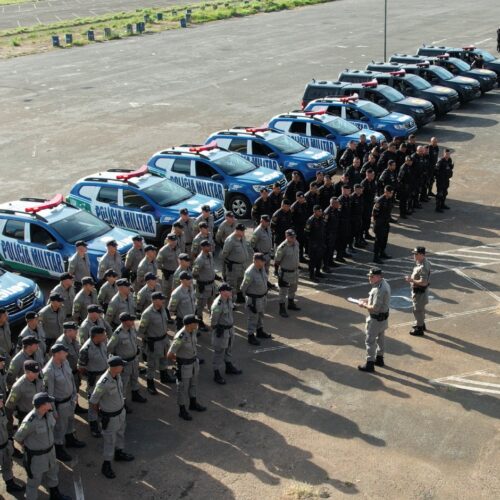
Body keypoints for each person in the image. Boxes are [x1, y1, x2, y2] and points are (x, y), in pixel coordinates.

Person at [15, 392, 72, 500]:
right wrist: (29, 448)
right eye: (48, 402)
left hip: (50, 452)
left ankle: (55, 495)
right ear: (42, 405)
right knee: (34, 482)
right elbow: (18, 438)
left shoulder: (48, 413)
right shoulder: (30, 421)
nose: (51, 404)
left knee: (53, 474)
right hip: (37, 458)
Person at [90, 356, 134, 479]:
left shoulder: (117, 376)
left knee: (120, 433)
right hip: (110, 417)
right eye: (121, 365)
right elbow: (93, 400)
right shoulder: (103, 383)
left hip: (120, 412)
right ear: (115, 367)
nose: (123, 367)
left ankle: (119, 453)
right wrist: (100, 413)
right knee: (109, 441)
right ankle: (106, 465)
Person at [43, 343, 84, 462]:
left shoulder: (64, 362)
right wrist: (53, 411)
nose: (66, 354)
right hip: (59, 405)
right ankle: (59, 448)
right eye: (64, 352)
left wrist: (74, 393)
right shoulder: (49, 371)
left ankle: (70, 439)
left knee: (70, 422)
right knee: (59, 428)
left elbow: (71, 378)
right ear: (56, 354)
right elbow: (48, 394)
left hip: (70, 400)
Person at [167, 315, 206, 421]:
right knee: (183, 388)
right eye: (195, 322)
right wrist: (179, 361)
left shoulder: (193, 331)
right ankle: (182, 410)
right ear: (189, 324)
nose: (197, 324)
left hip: (193, 363)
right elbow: (170, 354)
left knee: (193, 384)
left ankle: (193, 404)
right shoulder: (180, 336)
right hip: (184, 366)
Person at [107, 313, 147, 409]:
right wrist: (117, 359)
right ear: (125, 322)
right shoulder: (118, 334)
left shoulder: (131, 329)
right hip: (124, 363)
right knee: (123, 383)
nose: (133, 322)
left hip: (134, 360)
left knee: (135, 377)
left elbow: (134, 341)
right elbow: (109, 347)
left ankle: (135, 394)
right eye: (131, 320)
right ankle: (122, 402)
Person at [139, 292, 176, 395]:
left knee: (164, 359)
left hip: (164, 339)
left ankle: (164, 377)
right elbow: (141, 330)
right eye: (161, 299)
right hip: (154, 343)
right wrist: (145, 344)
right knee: (152, 364)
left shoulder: (162, 308)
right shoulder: (147, 314)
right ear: (155, 301)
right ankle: (150, 384)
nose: (163, 301)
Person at [357, 268, 391, 373]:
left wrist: (363, 305)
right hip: (383, 318)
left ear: (379, 277)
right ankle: (379, 359)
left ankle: (370, 364)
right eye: (369, 276)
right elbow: (374, 299)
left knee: (370, 341)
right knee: (380, 338)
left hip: (376, 319)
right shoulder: (383, 283)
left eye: (372, 276)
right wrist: (365, 300)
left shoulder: (379, 289)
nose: (369, 278)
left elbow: (375, 308)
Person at [78, 326, 108, 438]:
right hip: (94, 378)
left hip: (104, 376)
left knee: (103, 397)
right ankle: (93, 424)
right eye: (103, 334)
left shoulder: (102, 343)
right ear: (97, 336)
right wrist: (90, 376)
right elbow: (81, 367)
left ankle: (102, 414)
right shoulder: (86, 350)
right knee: (93, 401)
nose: (105, 336)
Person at [210, 283, 241, 385]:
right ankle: (216, 373)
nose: (230, 291)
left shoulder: (229, 299)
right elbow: (213, 321)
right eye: (228, 290)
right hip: (222, 331)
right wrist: (218, 329)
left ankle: (228, 366)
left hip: (230, 330)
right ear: (222, 292)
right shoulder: (217, 305)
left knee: (229, 349)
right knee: (219, 352)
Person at [55, 321, 85, 415]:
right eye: (75, 330)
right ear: (68, 331)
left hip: (75, 371)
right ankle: (69, 411)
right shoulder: (61, 343)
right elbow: (59, 362)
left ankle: (76, 407)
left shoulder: (73, 339)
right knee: (69, 392)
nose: (77, 332)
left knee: (75, 390)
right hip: (68, 374)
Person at [240, 253, 271, 346]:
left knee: (260, 315)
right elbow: (243, 287)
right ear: (257, 261)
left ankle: (260, 331)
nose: (264, 262)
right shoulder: (250, 272)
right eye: (262, 261)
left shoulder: (261, 269)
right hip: (254, 299)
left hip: (262, 297)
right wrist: (249, 298)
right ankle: (250, 335)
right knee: (253, 318)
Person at [5, 360, 44, 433]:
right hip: (26, 416)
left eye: (38, 371)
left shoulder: (39, 378)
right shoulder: (18, 386)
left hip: (39, 413)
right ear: (27, 372)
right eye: (35, 372)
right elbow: (9, 406)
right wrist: (9, 426)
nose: (37, 373)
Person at [0, 391, 24, 494]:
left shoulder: (2, 411)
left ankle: (10, 485)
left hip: (5, 444)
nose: (2, 401)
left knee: (7, 465)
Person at [221, 223, 252, 304]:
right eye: (242, 231)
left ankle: (239, 297)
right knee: (232, 285)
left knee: (240, 282)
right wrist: (224, 270)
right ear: (237, 231)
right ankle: (230, 302)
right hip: (233, 267)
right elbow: (224, 255)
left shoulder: (242, 237)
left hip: (242, 266)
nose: (244, 232)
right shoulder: (230, 240)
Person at [274, 229, 300, 318]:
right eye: (291, 237)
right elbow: (277, 261)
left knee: (293, 288)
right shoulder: (282, 247)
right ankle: (282, 308)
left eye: (294, 236)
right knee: (283, 291)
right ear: (286, 236)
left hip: (295, 272)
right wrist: (279, 274)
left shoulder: (296, 243)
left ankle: (291, 304)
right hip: (285, 273)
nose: (293, 238)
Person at [405, 247, 431, 336]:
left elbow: (423, 283)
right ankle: (421, 324)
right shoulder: (421, 262)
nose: (414, 256)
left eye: (416, 254)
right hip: (419, 291)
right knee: (421, 309)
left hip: (420, 292)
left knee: (417, 310)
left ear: (422, 255)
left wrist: (411, 280)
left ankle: (419, 329)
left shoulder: (423, 266)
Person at [192, 240, 217, 331]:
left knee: (212, 304)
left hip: (211, 286)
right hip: (203, 287)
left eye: (209, 245)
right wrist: (201, 281)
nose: (209, 247)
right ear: (202, 247)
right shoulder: (200, 259)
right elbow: (194, 273)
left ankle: (214, 321)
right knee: (200, 306)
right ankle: (199, 323)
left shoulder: (210, 255)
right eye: (207, 246)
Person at [372, 185, 394, 264]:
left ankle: (382, 253)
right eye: (390, 192)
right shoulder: (380, 200)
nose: (392, 194)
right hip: (379, 223)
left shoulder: (389, 199)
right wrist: (377, 222)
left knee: (384, 239)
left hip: (386, 222)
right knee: (378, 240)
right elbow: (374, 213)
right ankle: (376, 257)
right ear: (387, 192)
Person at [250, 214, 274, 287]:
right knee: (260, 271)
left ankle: (266, 282)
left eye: (268, 221)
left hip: (268, 254)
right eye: (266, 222)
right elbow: (252, 244)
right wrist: (258, 256)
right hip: (261, 255)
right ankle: (261, 285)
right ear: (261, 221)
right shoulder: (257, 231)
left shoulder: (268, 228)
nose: (268, 223)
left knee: (266, 270)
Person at [157, 233, 180, 306]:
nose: (174, 242)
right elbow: (158, 263)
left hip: (177, 273)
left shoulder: (178, 248)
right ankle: (164, 309)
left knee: (176, 291)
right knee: (166, 293)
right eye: (172, 240)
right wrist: (164, 270)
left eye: (175, 240)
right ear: (168, 240)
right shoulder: (163, 251)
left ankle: (174, 307)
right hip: (168, 275)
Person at [304, 205, 326, 280]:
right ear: (315, 211)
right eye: (319, 211)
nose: (321, 212)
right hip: (313, 243)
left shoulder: (321, 218)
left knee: (319, 258)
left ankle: (318, 272)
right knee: (313, 259)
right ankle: (311, 275)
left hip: (321, 242)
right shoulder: (311, 220)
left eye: (321, 211)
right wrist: (312, 241)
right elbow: (307, 233)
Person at [290, 191, 308, 263]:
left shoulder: (304, 204)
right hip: (296, 227)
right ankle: (296, 259)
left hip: (302, 227)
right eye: (300, 197)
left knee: (301, 243)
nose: (302, 199)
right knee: (296, 244)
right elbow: (291, 218)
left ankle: (301, 257)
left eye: (303, 197)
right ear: (297, 198)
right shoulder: (294, 206)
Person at [323, 198, 341, 270]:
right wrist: (326, 235)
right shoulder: (327, 212)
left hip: (334, 232)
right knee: (327, 250)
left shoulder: (336, 210)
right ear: (333, 204)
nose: (339, 204)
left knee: (331, 249)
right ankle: (325, 265)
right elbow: (324, 224)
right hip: (328, 234)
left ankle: (330, 261)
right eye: (337, 203)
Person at [360, 169, 377, 240]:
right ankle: (361, 236)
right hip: (364, 205)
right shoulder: (363, 183)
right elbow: (361, 195)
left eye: (373, 175)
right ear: (367, 175)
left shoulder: (373, 182)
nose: (373, 176)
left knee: (368, 220)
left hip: (370, 204)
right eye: (371, 175)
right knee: (364, 221)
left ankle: (366, 233)